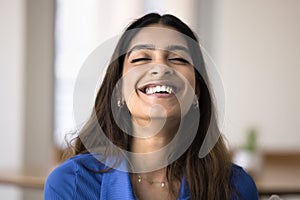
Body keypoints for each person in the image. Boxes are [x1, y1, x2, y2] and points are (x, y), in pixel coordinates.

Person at [44, 13, 258, 200]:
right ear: (118, 90)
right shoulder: (71, 183)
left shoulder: (236, 187)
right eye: (141, 58)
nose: (160, 67)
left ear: (197, 92)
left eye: (178, 58)